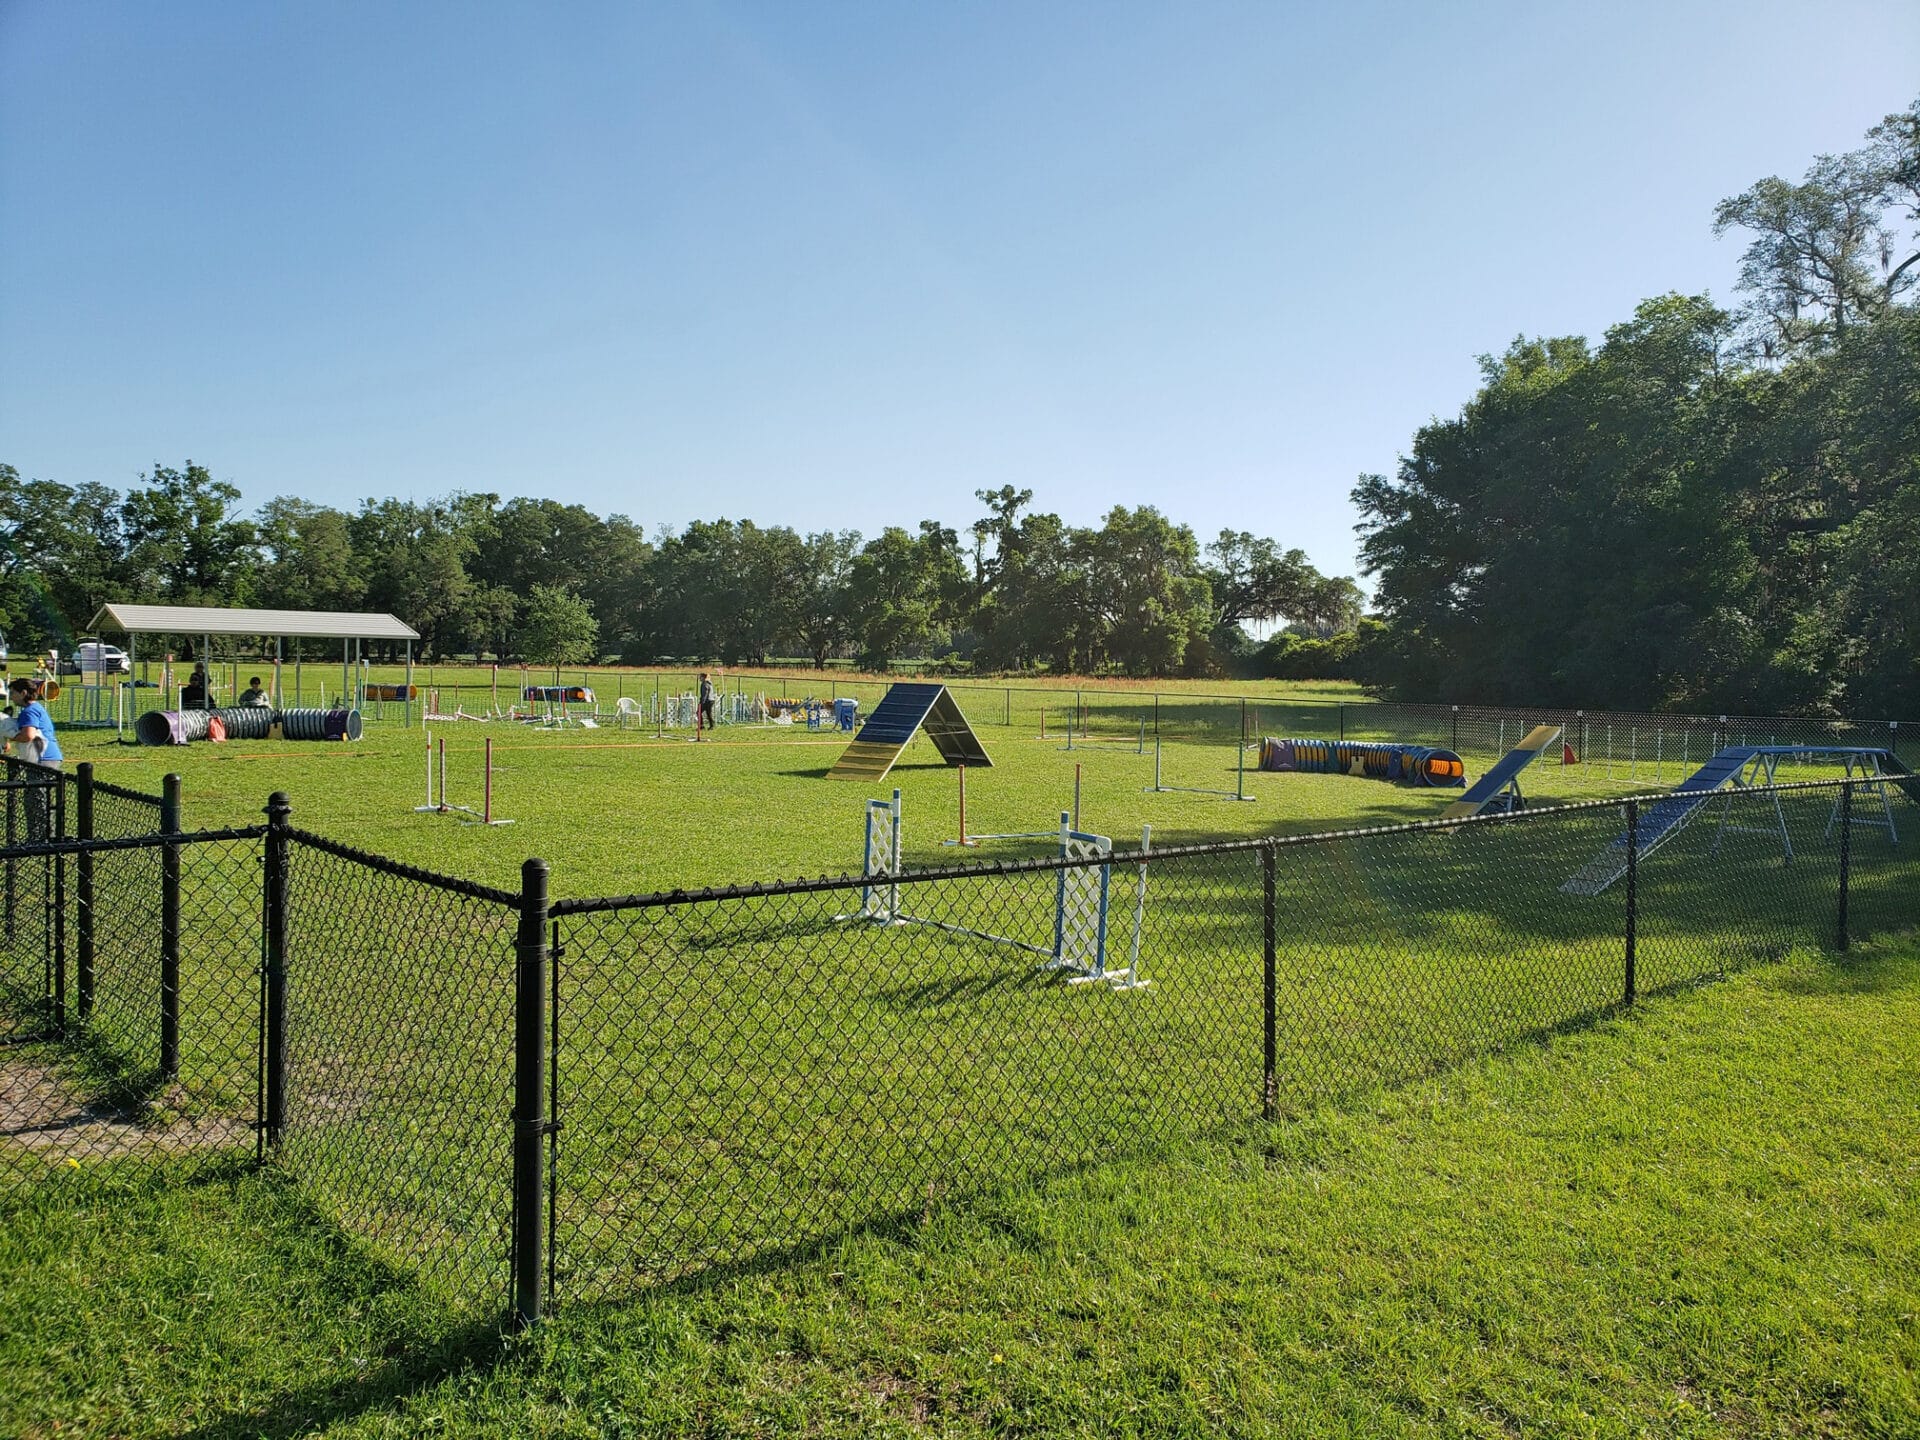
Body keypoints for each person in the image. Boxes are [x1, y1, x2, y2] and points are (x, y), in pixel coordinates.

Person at [8, 676, 62, 842]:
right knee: (41, 799)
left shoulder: (29, 711)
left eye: (13, 693)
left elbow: (28, 735)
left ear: (23, 693)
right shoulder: (35, 708)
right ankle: (46, 836)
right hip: (47, 758)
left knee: (37, 800)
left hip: (42, 759)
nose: (11, 697)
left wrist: (10, 736)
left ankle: (39, 839)